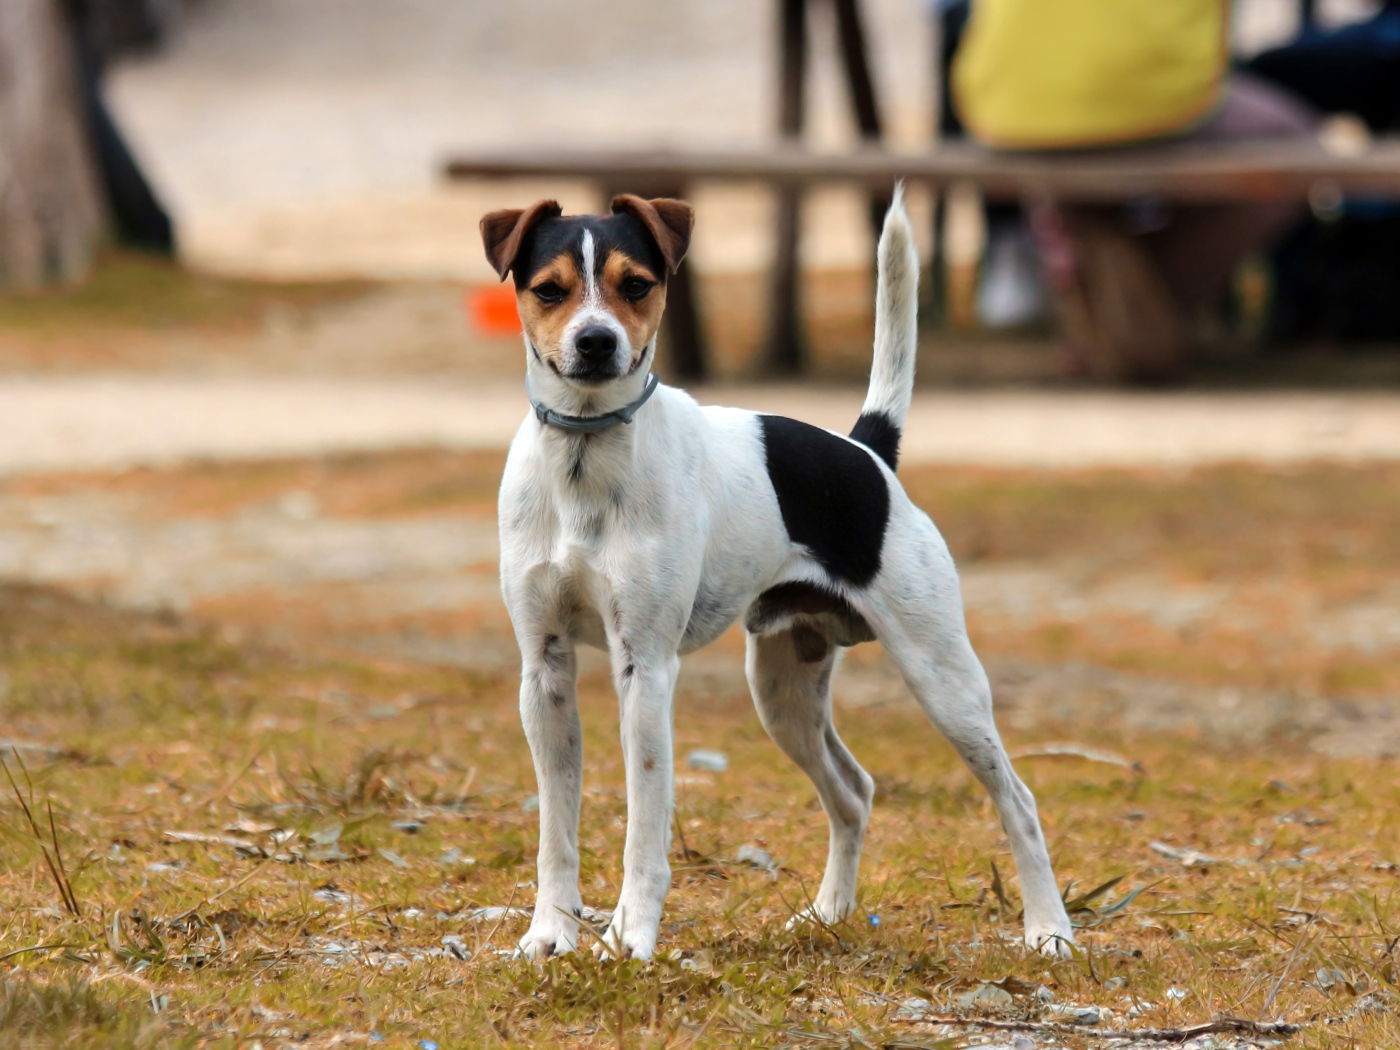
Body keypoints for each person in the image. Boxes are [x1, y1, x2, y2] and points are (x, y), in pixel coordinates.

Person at [949, 0, 1316, 381]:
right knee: (1300, 150)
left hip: (1004, 103)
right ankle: (1139, 306)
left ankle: (1106, 299)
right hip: (1153, 99)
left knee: (1088, 145)